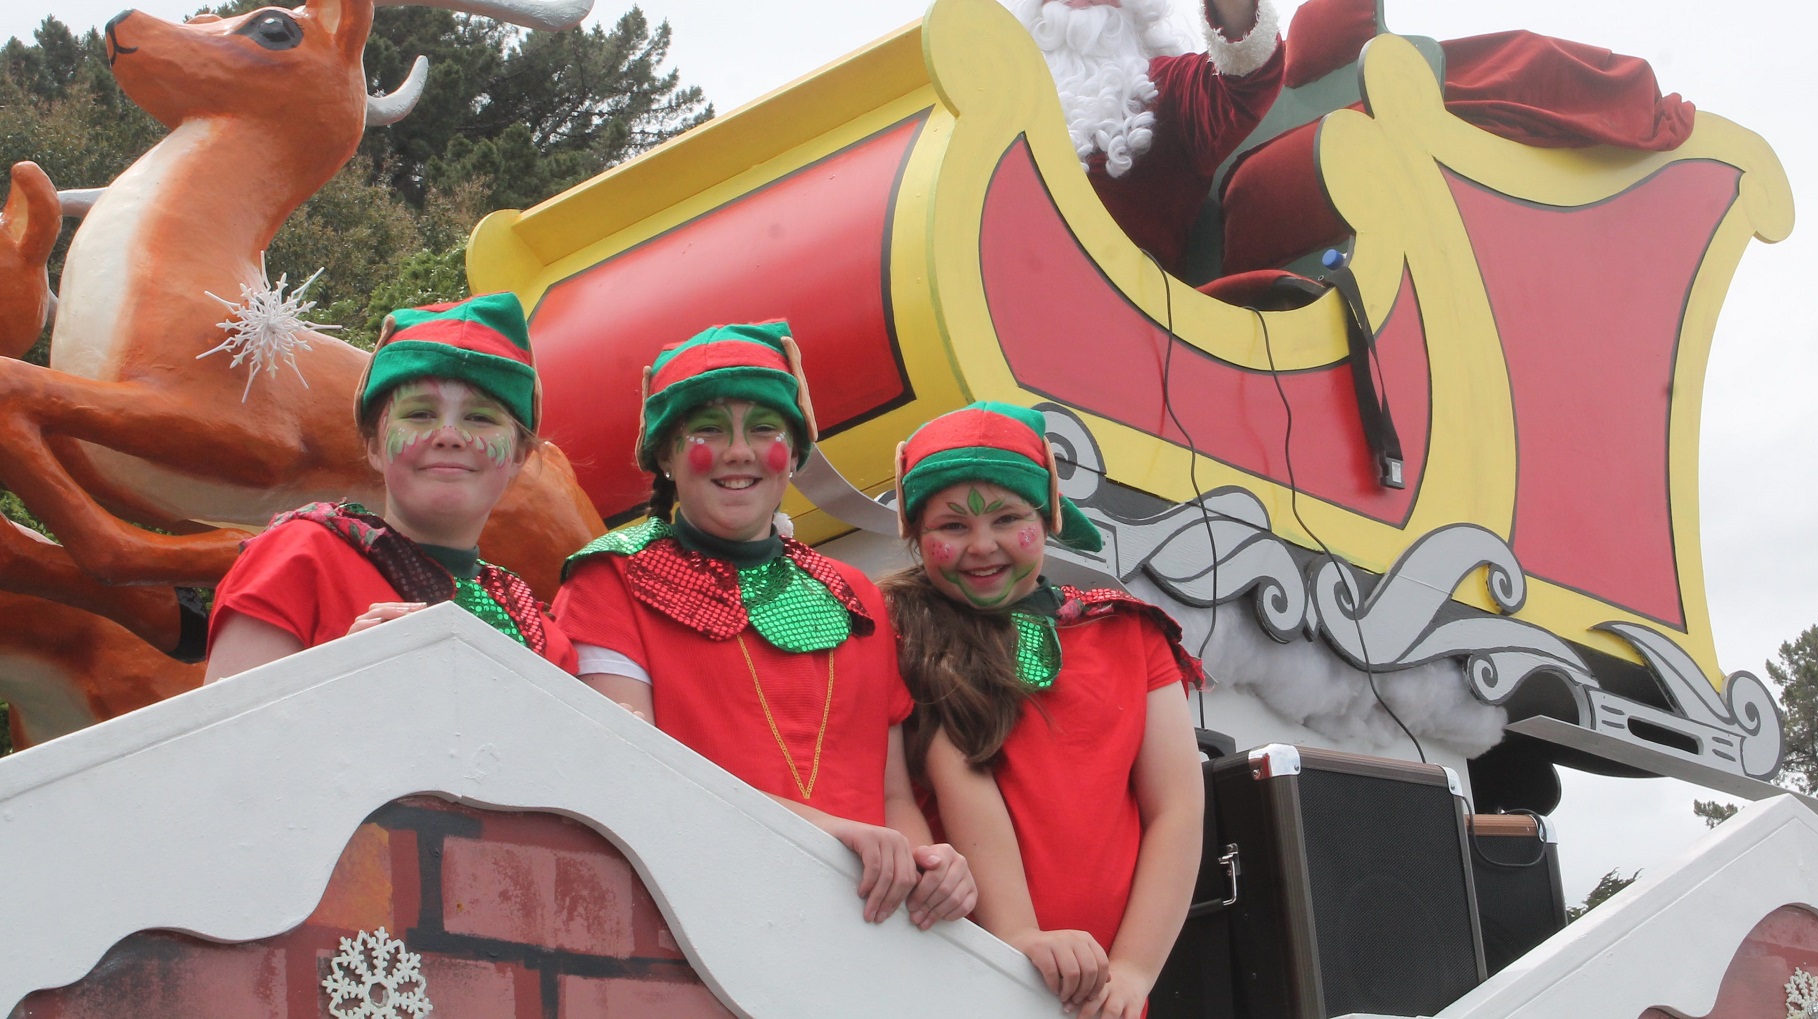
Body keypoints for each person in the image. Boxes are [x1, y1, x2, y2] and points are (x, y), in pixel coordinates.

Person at [553, 321, 975, 930]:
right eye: (707, 430)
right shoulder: (609, 578)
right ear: (666, 454)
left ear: (796, 452)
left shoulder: (854, 593)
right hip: (698, 923)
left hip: (866, 930)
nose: (738, 451)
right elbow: (630, 772)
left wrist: (932, 863)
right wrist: (828, 833)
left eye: (763, 429)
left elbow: (893, 797)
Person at [881, 402, 1206, 1018]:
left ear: (1049, 514)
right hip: (959, 976)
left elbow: (1178, 809)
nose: (982, 546)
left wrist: (1134, 970)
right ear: (914, 532)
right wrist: (1017, 943)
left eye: (1008, 518)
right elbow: (953, 777)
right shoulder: (897, 633)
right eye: (951, 526)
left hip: (1103, 997)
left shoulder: (1130, 632)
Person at [205, 294, 577, 681]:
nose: (449, 435)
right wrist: (345, 678)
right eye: (419, 413)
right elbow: (223, 734)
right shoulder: (295, 560)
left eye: (480, 418)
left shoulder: (544, 640)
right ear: (373, 446)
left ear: (519, 456)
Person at [1010, 0, 1286, 273]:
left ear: (1132, 2)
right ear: (1036, 3)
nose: (1081, 3)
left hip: (1124, 317)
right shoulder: (999, 99)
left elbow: (1247, 77)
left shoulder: (1167, 86)